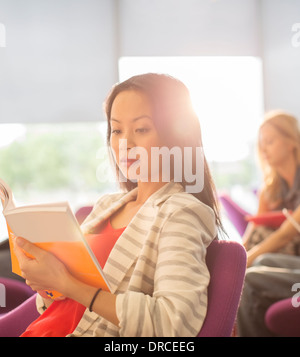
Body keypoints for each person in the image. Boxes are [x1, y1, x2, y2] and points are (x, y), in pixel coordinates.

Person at [11, 73, 223, 337]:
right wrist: (48, 284)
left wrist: (67, 283)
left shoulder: (181, 212)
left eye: (141, 129)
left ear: (176, 135)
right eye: (117, 130)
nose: (125, 144)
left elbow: (172, 324)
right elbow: (64, 304)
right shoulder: (106, 206)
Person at [238, 110, 300, 336]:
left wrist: (244, 263)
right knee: (261, 259)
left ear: (292, 142)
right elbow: (252, 231)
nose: (264, 149)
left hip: (293, 252)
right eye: (261, 144)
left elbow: (285, 234)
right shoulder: (271, 189)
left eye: (270, 142)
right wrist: (237, 258)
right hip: (287, 258)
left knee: (248, 279)